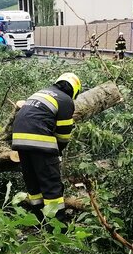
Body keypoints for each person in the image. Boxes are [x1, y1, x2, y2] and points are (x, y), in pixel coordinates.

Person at [11, 73, 82, 225]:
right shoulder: (66, 100)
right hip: (40, 140)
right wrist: (57, 151)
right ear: (75, 90)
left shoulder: (42, 92)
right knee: (51, 186)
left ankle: (38, 221)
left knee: (33, 184)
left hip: (18, 139)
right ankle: (57, 228)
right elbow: (63, 134)